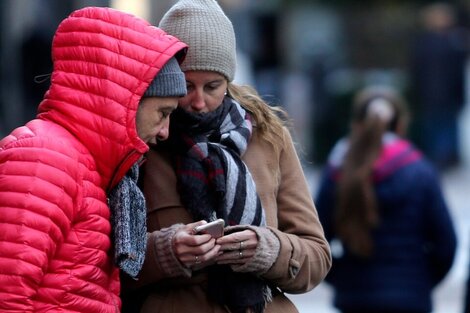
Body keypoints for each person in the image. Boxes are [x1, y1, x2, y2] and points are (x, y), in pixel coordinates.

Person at [120, 0, 332, 312]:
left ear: (229, 80)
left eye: (213, 86)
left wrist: (267, 250)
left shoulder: (268, 136)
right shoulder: (142, 141)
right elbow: (103, 265)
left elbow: (316, 257)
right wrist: (167, 252)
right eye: (186, 85)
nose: (199, 101)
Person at [0, 6, 188, 312]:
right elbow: (7, 294)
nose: (165, 131)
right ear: (128, 101)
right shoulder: (43, 160)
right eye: (162, 113)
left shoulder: (89, 168)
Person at [314, 85, 457, 313]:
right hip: (410, 298)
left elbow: (316, 241)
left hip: (355, 299)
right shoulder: (421, 171)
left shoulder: (337, 171)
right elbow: (446, 245)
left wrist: (343, 279)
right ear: (401, 124)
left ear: (356, 124)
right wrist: (419, 282)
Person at [409, 2, 469, 171]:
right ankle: (445, 158)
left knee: (442, 126)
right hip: (440, 94)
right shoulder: (446, 43)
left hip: (438, 94)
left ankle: (445, 157)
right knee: (440, 126)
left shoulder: (447, 41)